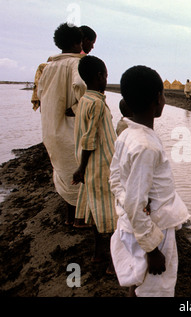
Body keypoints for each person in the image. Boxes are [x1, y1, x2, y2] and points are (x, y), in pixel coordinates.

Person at [109, 65, 190, 297]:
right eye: (163, 93)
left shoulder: (127, 135)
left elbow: (115, 179)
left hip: (134, 225)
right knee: (157, 289)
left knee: (138, 280)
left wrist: (128, 207)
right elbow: (136, 202)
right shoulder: (146, 146)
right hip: (153, 230)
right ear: (158, 98)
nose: (164, 99)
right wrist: (153, 248)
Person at [37, 22, 86, 226]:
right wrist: (76, 108)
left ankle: (69, 218)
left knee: (63, 172)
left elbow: (40, 94)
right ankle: (80, 218)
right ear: (78, 43)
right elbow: (82, 87)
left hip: (51, 129)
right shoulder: (76, 64)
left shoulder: (47, 67)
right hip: (69, 128)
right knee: (79, 172)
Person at [72, 55, 117, 266]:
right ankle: (109, 260)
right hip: (101, 165)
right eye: (106, 76)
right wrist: (81, 168)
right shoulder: (97, 104)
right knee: (108, 213)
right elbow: (89, 140)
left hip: (93, 165)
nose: (107, 79)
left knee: (97, 210)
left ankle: (98, 255)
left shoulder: (84, 100)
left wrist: (82, 167)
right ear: (100, 77)